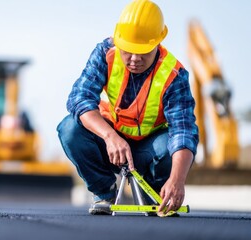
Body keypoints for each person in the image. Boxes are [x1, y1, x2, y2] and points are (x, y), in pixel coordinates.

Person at [57, 0, 198, 216]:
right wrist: (109, 136)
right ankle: (104, 192)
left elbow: (184, 131)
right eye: (129, 51)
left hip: (149, 151)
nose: (134, 59)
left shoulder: (174, 75)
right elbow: (80, 98)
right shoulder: (105, 53)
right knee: (69, 129)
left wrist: (177, 180)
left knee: (170, 146)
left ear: (157, 44)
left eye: (143, 52)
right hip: (111, 147)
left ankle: (156, 192)